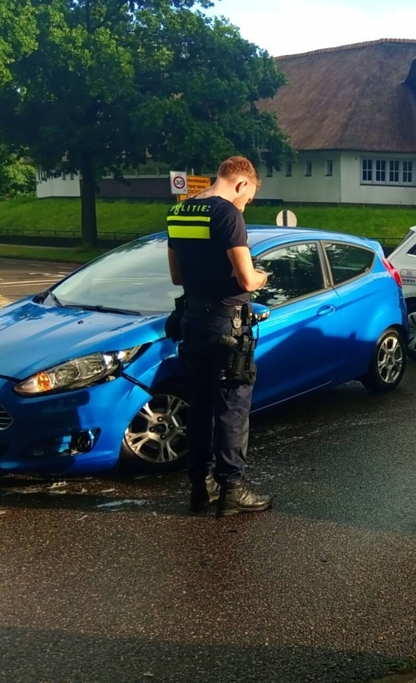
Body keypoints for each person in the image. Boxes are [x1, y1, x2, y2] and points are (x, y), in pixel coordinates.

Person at [166, 156, 272, 517]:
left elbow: (176, 276)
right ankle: (232, 490)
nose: (245, 204)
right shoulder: (227, 214)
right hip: (226, 325)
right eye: (248, 197)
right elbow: (245, 280)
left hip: (192, 321)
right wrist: (262, 276)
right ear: (241, 184)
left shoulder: (178, 214)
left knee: (199, 406)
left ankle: (200, 487)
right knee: (232, 407)